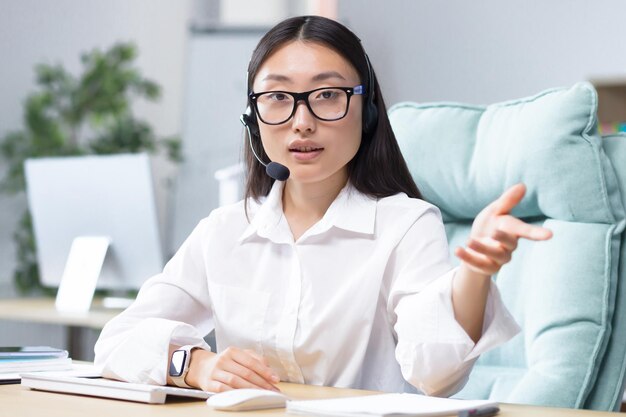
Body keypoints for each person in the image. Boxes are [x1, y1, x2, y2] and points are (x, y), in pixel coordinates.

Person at [94, 15, 552, 396]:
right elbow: (116, 339)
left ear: (367, 110)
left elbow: (434, 375)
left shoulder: (406, 224)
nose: (302, 122)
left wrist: (475, 274)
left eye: (327, 95)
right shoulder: (226, 231)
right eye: (277, 98)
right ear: (253, 118)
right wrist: (192, 365)